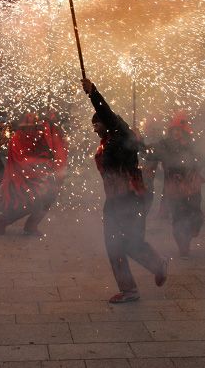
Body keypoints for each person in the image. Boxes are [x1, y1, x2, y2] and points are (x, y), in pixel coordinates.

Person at [81, 78, 168, 303]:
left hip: (129, 198)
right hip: (119, 200)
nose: (95, 129)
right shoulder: (112, 139)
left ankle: (134, 286)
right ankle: (153, 268)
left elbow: (108, 115)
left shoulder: (120, 135)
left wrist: (94, 94)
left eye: (97, 124)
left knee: (121, 243)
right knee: (124, 243)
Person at [0, 112, 68, 236]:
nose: (31, 129)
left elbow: (50, 149)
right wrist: (42, 167)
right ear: (21, 127)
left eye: (34, 126)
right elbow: (22, 162)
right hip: (21, 179)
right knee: (28, 203)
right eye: (27, 127)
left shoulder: (39, 136)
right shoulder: (16, 139)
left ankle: (31, 225)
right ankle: (4, 220)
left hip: (39, 177)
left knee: (49, 197)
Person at [145, 111, 204, 258]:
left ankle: (192, 231)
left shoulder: (192, 145)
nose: (176, 133)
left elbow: (202, 160)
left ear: (184, 131)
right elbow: (150, 153)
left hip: (192, 188)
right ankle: (183, 248)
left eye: (179, 130)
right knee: (178, 218)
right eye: (174, 130)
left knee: (195, 216)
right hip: (174, 190)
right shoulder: (164, 145)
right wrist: (136, 140)